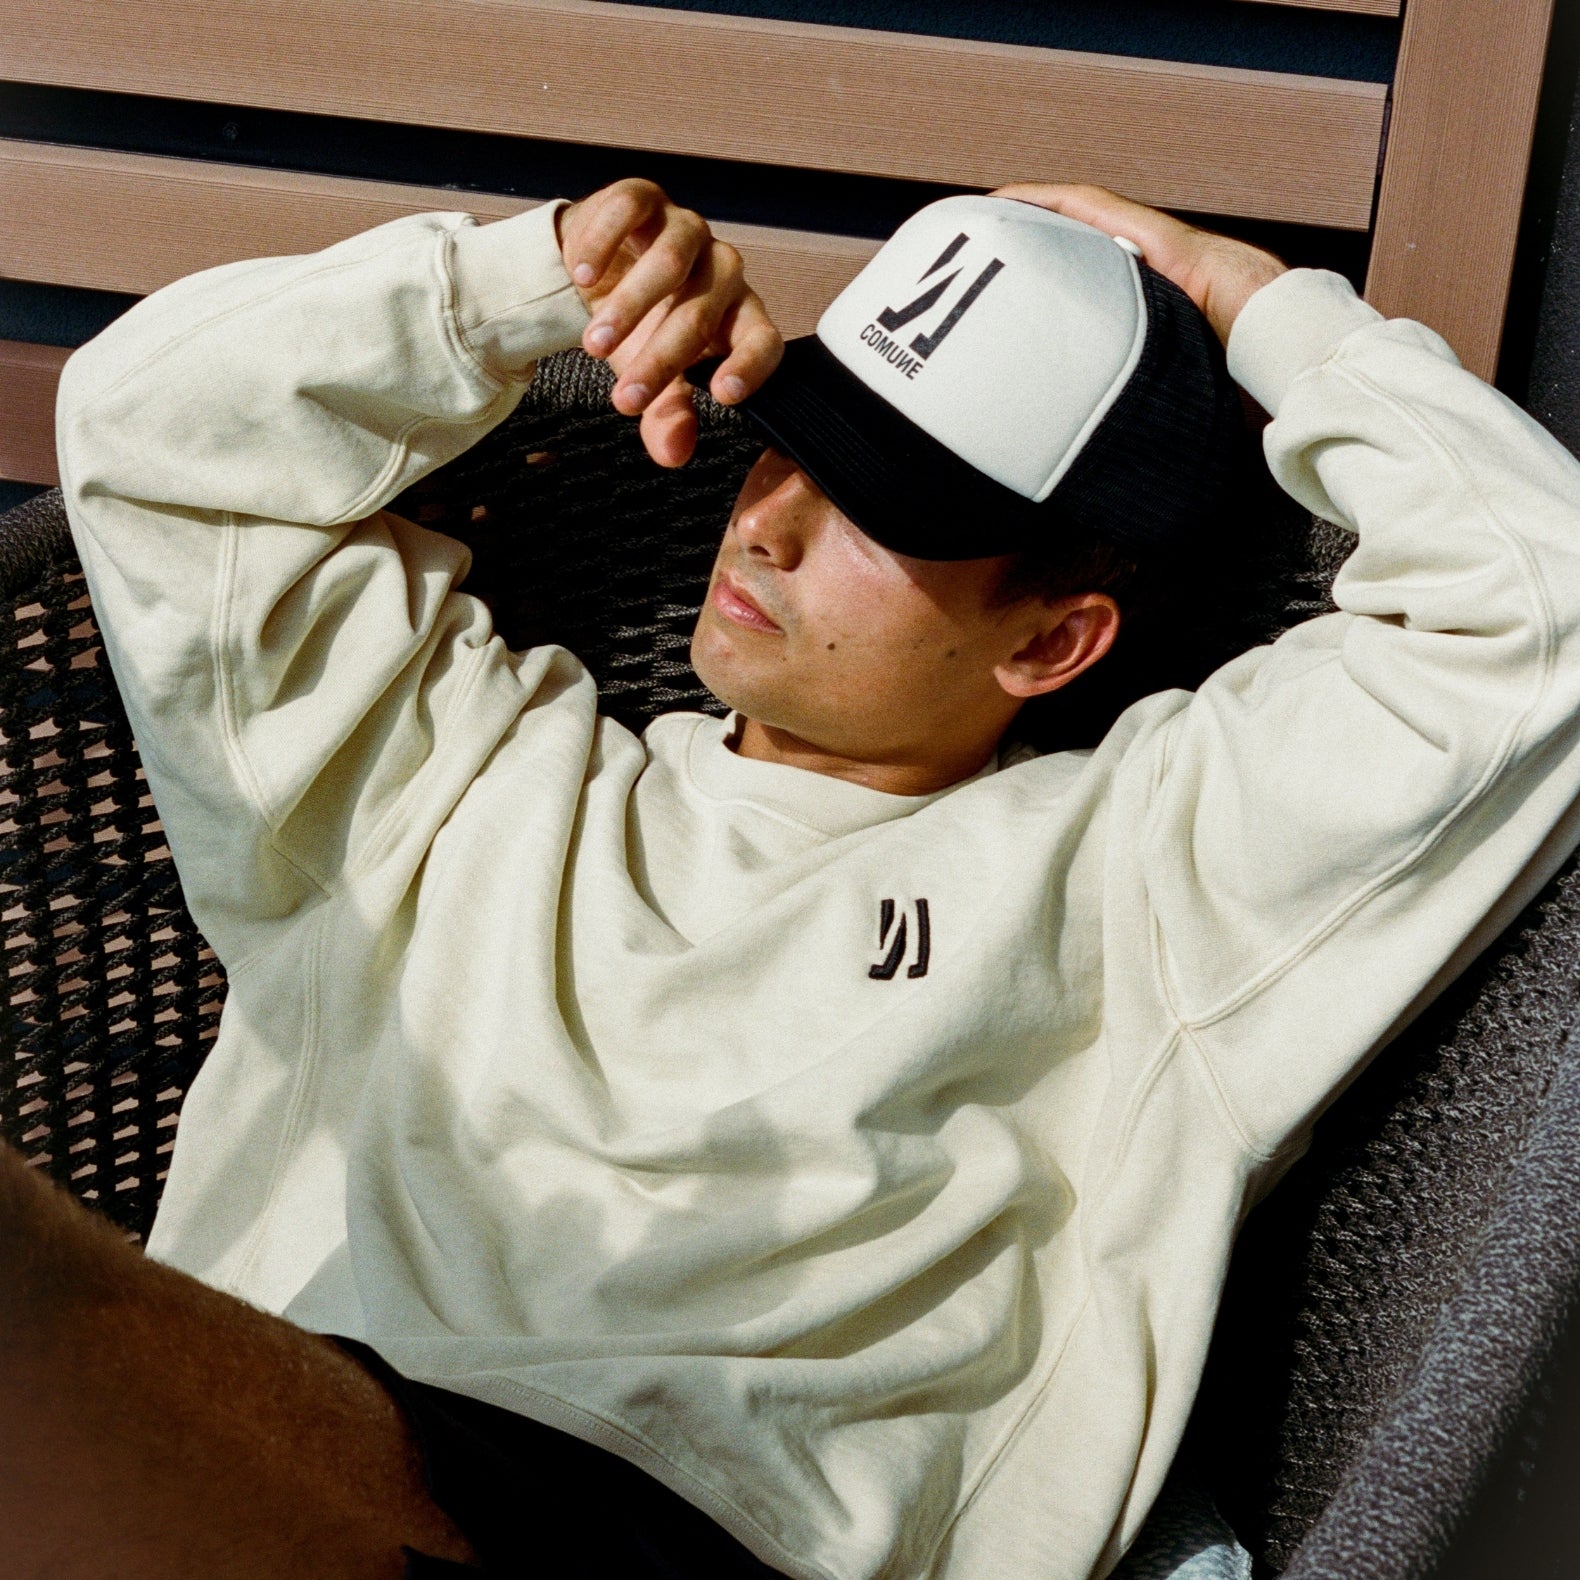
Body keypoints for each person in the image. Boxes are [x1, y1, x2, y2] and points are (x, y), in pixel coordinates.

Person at [8, 170, 1580, 1580]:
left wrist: (1246, 296)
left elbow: (1546, 609)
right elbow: (150, 444)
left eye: (884, 514)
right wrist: (534, 289)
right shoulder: (461, 777)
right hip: (243, 1454)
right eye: (792, 453)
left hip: (689, 1529)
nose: (763, 526)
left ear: (1052, 639)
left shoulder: (1137, 877)